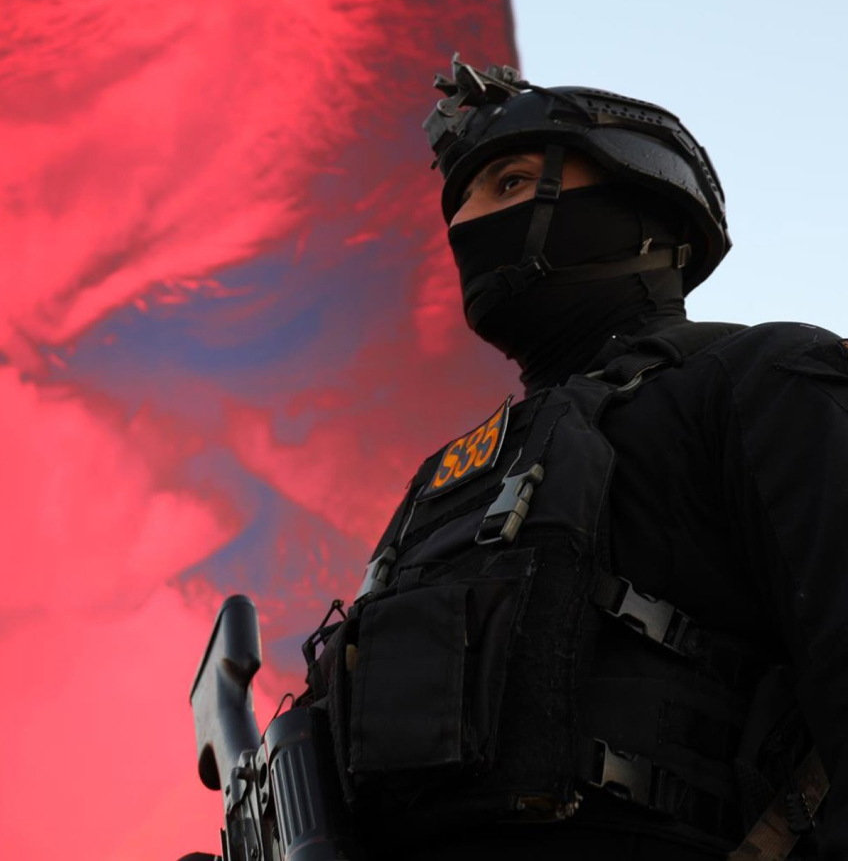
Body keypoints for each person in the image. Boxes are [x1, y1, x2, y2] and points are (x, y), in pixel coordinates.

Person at [301, 58, 847, 860]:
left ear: (645, 208)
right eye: (460, 204)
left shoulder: (762, 382)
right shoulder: (437, 491)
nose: (465, 227)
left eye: (511, 184)